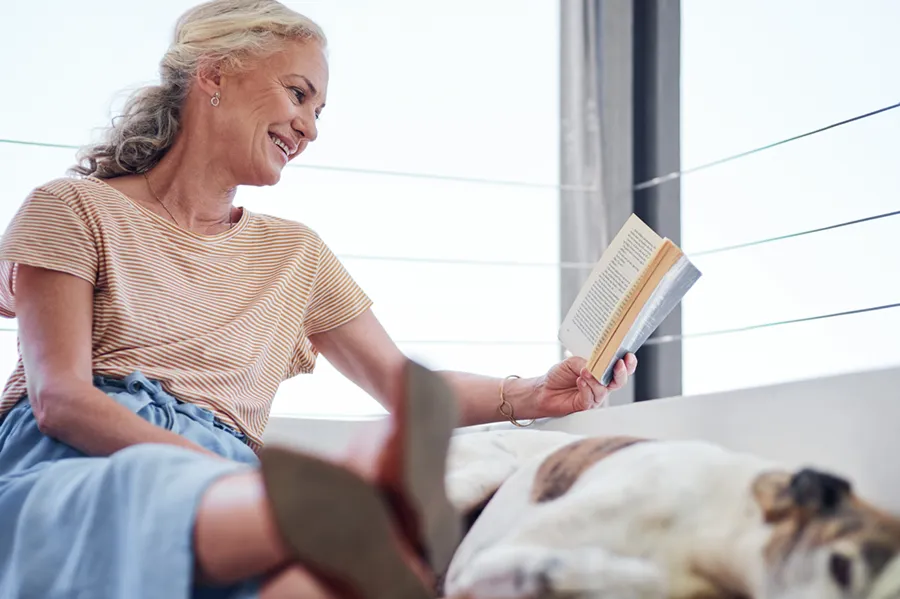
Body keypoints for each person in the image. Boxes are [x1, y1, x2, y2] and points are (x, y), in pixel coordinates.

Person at [0, 1, 638, 598]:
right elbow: (61, 401)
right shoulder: (74, 207)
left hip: (231, 475)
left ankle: (354, 522)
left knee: (310, 584)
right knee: (154, 490)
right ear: (215, 74)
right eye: (298, 94)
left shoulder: (297, 255)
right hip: (84, 456)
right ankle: (346, 507)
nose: (307, 128)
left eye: (318, 111)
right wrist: (243, 480)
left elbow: (399, 384)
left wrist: (533, 394)